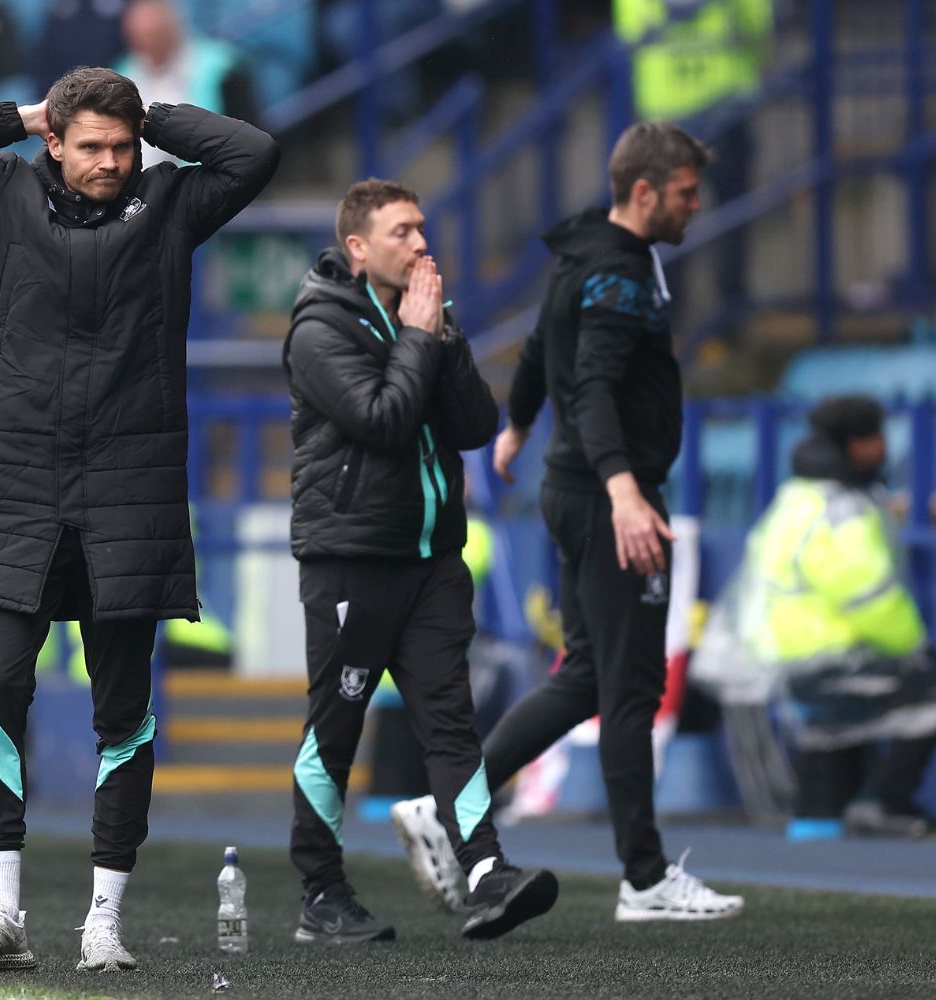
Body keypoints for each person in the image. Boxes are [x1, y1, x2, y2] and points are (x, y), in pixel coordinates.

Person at [0, 66, 278, 972]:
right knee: (0, 688)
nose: (111, 161)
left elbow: (254, 151)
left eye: (123, 144)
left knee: (125, 709)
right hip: (6, 483)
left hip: (128, 486)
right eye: (91, 145)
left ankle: (103, 919)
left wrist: (157, 119)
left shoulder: (172, 203)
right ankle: (2, 912)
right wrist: (18, 115)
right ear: (52, 144)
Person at [394, 122, 744, 922]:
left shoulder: (586, 249)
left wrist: (518, 423)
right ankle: (646, 878)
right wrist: (626, 490)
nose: (697, 206)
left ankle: (451, 806)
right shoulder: (620, 271)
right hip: (607, 493)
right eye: (687, 193)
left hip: (574, 485)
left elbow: (545, 343)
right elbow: (589, 383)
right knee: (631, 688)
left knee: (590, 675)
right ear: (646, 191)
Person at [282, 179, 556, 944]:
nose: (421, 244)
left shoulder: (427, 318)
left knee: (451, 723)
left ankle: (484, 870)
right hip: (353, 560)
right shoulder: (318, 329)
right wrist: (418, 338)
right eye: (402, 232)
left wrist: (440, 338)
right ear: (359, 249)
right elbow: (383, 420)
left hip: (432, 559)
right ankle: (321, 892)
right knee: (334, 730)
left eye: (423, 229)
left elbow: (472, 422)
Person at [705, 396, 936, 839]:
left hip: (791, 657)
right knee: (926, 694)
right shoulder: (843, 509)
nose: (885, 447)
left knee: (831, 766)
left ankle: (821, 830)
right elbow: (870, 596)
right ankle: (884, 802)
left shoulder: (798, 497)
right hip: (835, 656)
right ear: (859, 443)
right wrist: (916, 647)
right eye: (878, 437)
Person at [614, 0, 773, 317]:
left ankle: (671, 320)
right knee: (731, 214)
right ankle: (732, 315)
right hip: (724, 104)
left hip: (665, 111)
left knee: (667, 220)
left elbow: (628, 36)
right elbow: (757, 26)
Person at [117, 0, 260, 167]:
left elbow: (245, 138)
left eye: (154, 34)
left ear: (173, 27)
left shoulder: (221, 68)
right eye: (140, 37)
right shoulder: (123, 73)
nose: (148, 44)